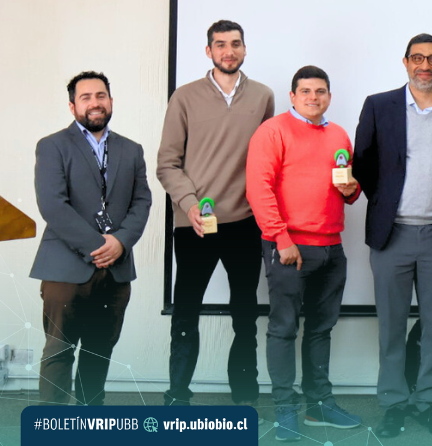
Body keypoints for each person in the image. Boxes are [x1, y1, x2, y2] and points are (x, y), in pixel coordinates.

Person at [353, 33, 432, 438]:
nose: (425, 65)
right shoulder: (379, 105)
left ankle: (430, 401)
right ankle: (393, 403)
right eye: (418, 58)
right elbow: (362, 162)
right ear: (405, 62)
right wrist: (387, 204)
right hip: (392, 236)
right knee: (391, 325)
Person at [156, 19, 275, 409]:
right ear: (208, 51)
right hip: (195, 224)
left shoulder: (263, 97)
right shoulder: (185, 97)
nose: (229, 51)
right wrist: (189, 205)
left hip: (245, 222)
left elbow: (265, 161)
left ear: (245, 48)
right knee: (185, 313)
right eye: (220, 44)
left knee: (245, 315)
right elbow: (167, 164)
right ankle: (177, 396)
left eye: (235, 43)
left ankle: (245, 398)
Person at [246, 65, 363, 442]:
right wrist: (281, 239)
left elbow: (347, 188)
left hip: (331, 247)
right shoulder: (273, 131)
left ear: (329, 96)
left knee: (321, 330)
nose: (314, 97)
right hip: (290, 248)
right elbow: (259, 188)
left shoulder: (339, 134)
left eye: (321, 91)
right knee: (283, 329)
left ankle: (319, 405)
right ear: (293, 96)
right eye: (306, 91)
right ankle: (285, 410)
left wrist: (352, 190)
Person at [32, 71, 152, 406]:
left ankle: (90, 423)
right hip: (65, 269)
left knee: (99, 353)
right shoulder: (52, 146)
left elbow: (142, 201)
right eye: (85, 97)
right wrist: (99, 246)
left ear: (110, 101)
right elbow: (53, 205)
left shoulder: (132, 150)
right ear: (73, 106)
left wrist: (121, 242)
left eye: (101, 96)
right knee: (59, 351)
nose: (95, 103)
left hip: (116, 271)